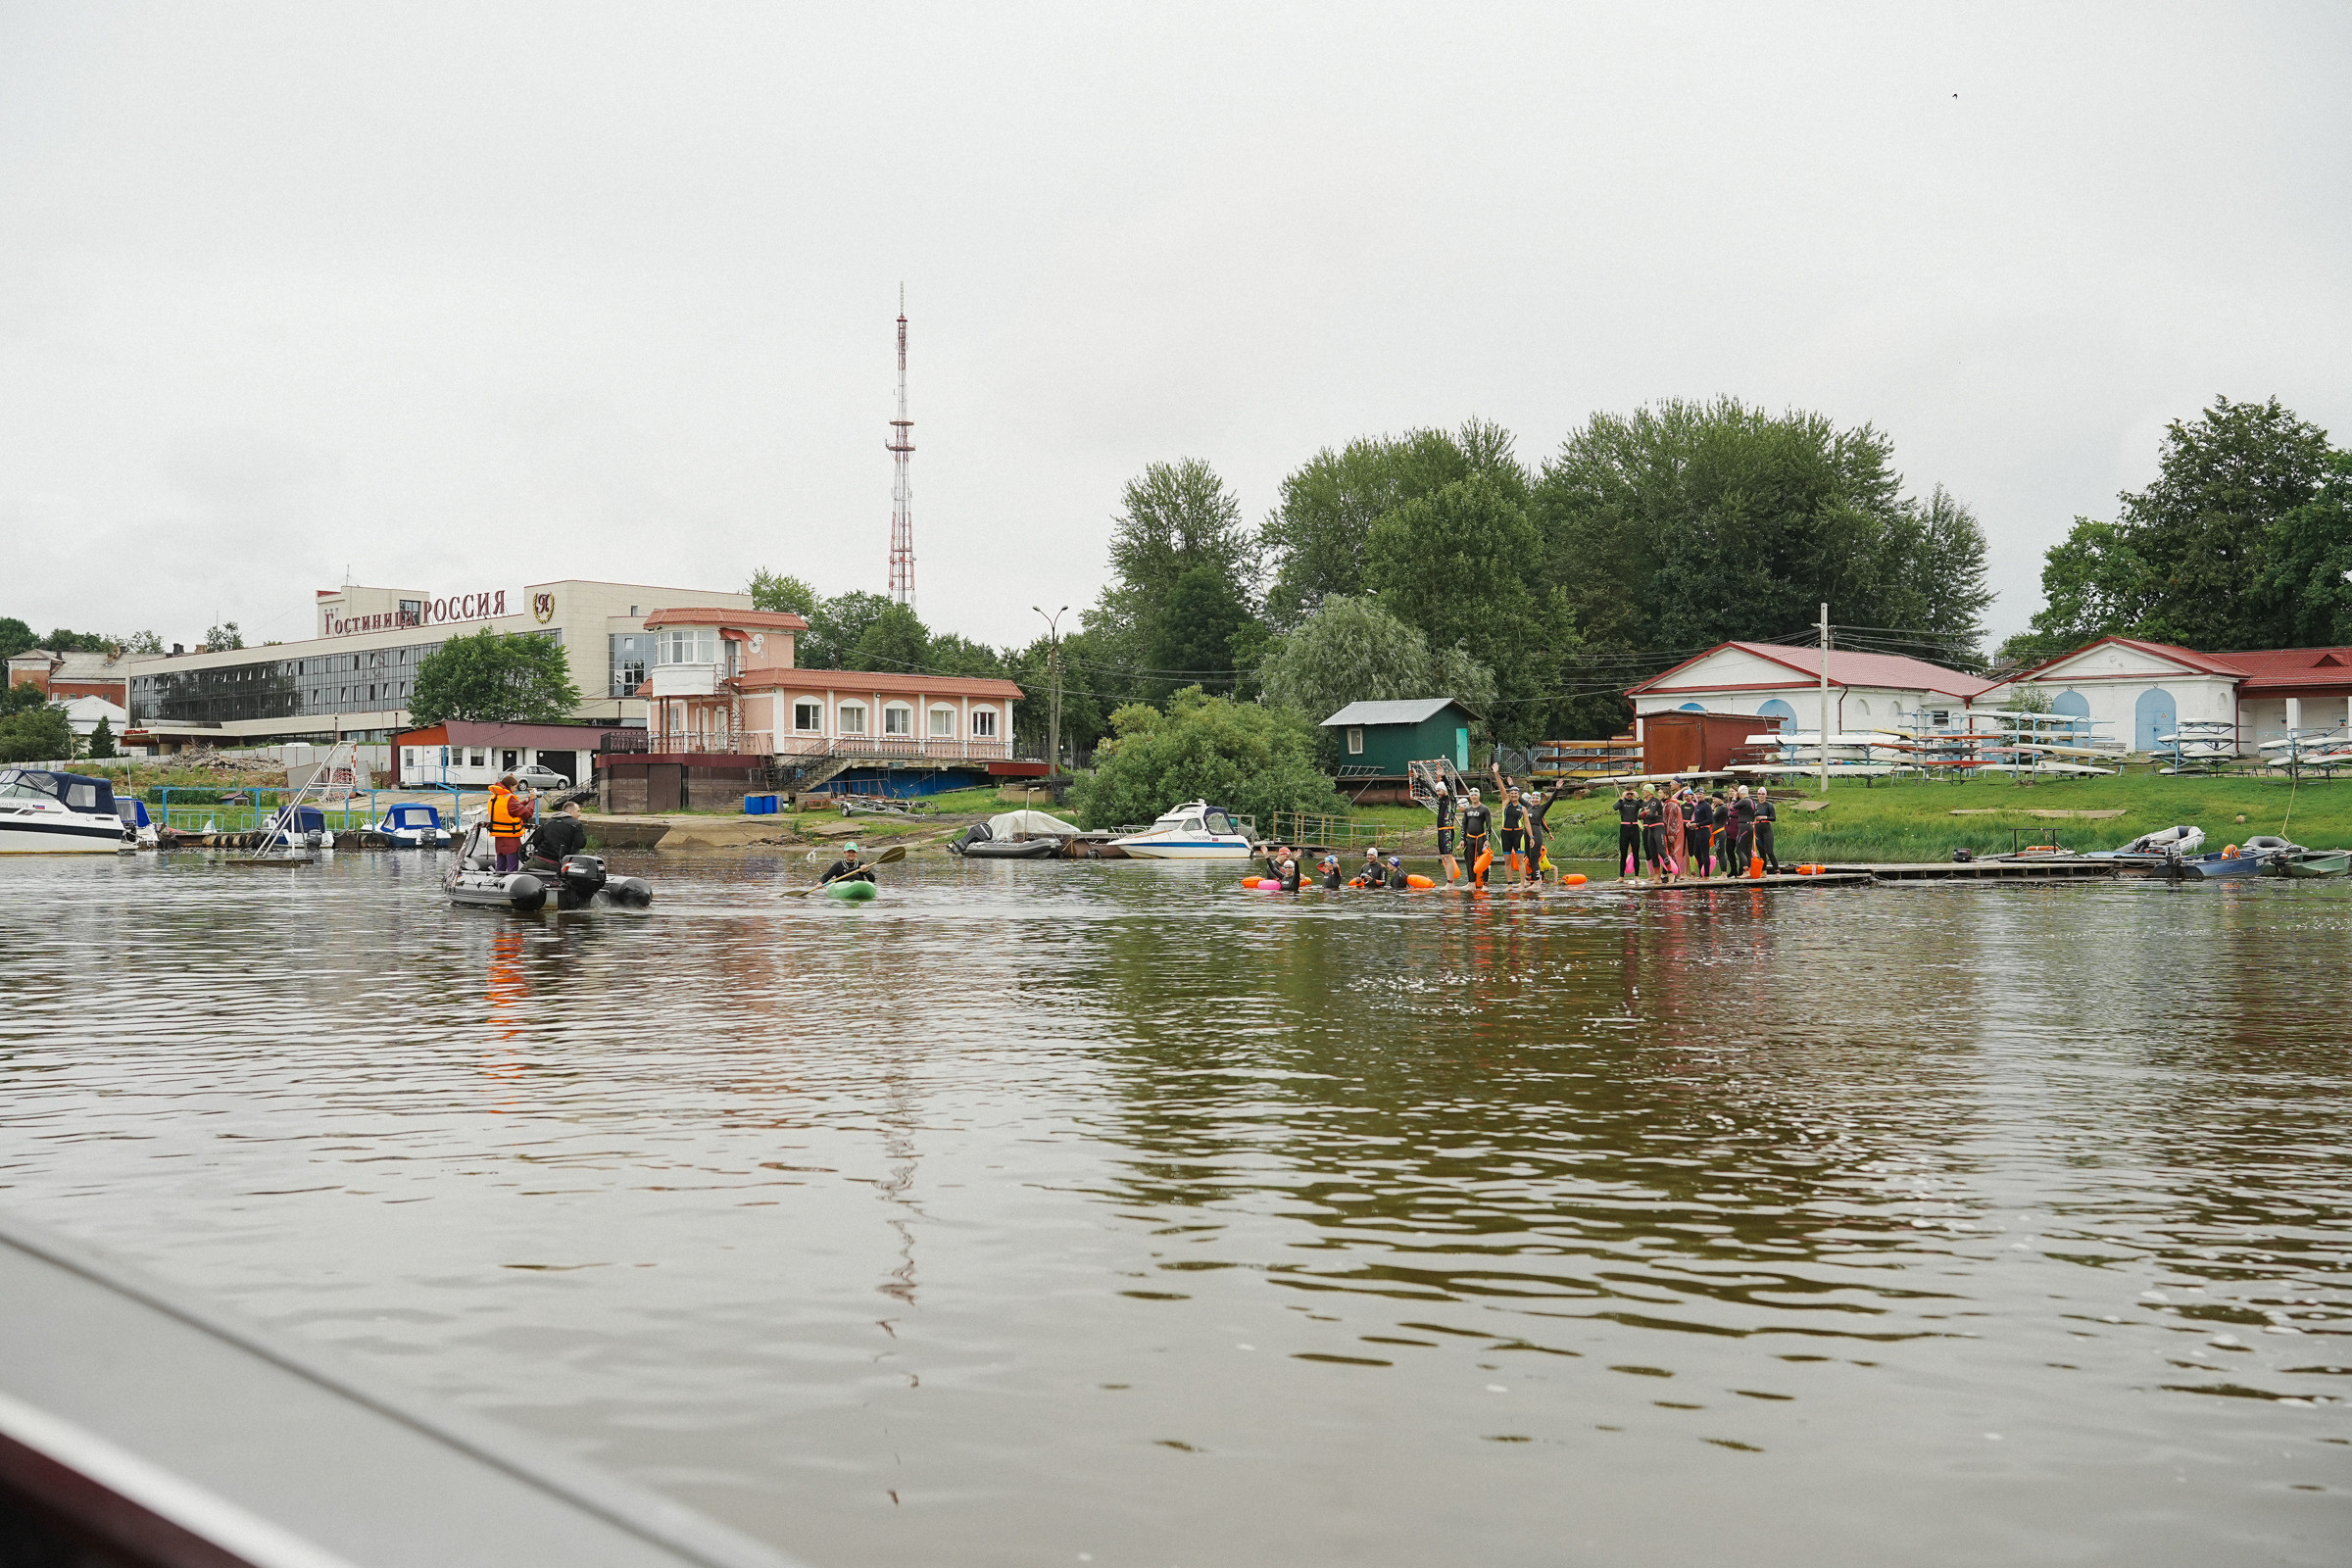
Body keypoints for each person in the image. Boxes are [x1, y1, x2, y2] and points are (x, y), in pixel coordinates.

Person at [524, 799, 587, 871]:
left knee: (519, 876)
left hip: (539, 860)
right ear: (570, 812)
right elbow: (581, 844)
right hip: (559, 864)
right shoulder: (576, 824)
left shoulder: (547, 822)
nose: (580, 814)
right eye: (578, 811)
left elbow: (536, 841)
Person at [487, 772, 529, 874]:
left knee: (500, 864)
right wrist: (532, 800)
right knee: (512, 867)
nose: (515, 790)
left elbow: (509, 809)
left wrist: (525, 801)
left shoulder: (495, 797)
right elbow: (527, 813)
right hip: (511, 837)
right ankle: (511, 882)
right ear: (510, 786)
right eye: (515, 787)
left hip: (499, 837)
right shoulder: (509, 798)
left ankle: (497, 881)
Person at [1458, 788, 1494, 887]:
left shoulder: (1484, 809)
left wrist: (1487, 839)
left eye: (1475, 795)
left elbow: (1489, 825)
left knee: (1483, 861)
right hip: (1470, 839)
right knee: (1469, 861)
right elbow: (1464, 825)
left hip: (1481, 839)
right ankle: (1471, 883)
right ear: (1470, 796)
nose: (1474, 797)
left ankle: (1485, 884)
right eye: (1472, 795)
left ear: (1479, 796)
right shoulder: (1468, 809)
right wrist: (1462, 839)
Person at [1431, 779, 1459, 884]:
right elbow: (1430, 791)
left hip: (1447, 831)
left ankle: (1450, 883)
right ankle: (1449, 881)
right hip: (1440, 831)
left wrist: (1443, 776)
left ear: (1445, 790)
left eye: (1439, 790)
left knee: (1448, 856)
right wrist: (1418, 779)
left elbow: (1450, 789)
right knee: (1443, 857)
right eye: (1437, 791)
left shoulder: (1450, 800)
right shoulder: (1441, 800)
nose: (1437, 793)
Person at [1683, 786, 1711, 880]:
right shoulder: (1698, 805)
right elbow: (1696, 819)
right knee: (1697, 853)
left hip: (1704, 831)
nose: (1698, 795)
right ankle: (1701, 874)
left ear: (1704, 795)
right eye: (1697, 794)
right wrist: (1690, 823)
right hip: (1698, 831)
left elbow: (1710, 820)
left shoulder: (1706, 805)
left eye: (1700, 794)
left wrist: (1697, 824)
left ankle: (1706, 876)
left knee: (1705, 854)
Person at [1638, 785, 1665, 879]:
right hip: (1646, 828)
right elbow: (1639, 817)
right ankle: (1651, 875)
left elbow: (1652, 814)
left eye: (1644, 790)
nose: (1642, 792)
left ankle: (1665, 873)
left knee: (1660, 851)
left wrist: (1647, 813)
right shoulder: (1646, 803)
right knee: (1649, 852)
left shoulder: (1655, 801)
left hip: (1656, 827)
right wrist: (1646, 813)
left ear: (1650, 792)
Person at [1729, 786, 1758, 875]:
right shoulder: (1752, 801)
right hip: (1750, 826)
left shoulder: (1744, 800)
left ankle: (1745, 871)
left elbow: (1732, 808)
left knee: (1739, 849)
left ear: (1740, 793)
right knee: (1747, 850)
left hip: (1744, 827)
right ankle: (1749, 871)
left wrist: (1734, 798)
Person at [1615, 786, 1642, 878]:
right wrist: (1622, 797)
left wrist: (1638, 797)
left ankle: (1637, 876)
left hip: (1634, 828)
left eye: (1631, 794)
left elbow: (1644, 806)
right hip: (1624, 828)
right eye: (1628, 793)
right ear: (1625, 793)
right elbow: (1615, 807)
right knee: (1623, 853)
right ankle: (1621, 877)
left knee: (1635, 853)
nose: (1630, 795)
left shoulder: (1636, 802)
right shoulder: (1622, 802)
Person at [1660, 783, 1686, 884]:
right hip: (1666, 830)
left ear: (1666, 793)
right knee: (1668, 852)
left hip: (1670, 832)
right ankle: (1668, 873)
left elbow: (1672, 820)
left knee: (1672, 852)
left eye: (1660, 792)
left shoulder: (1671, 804)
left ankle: (1674, 874)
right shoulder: (1667, 803)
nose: (1659, 794)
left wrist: (1670, 833)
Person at [1753, 787, 1782, 874]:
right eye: (1759, 794)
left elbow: (1773, 818)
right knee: (1761, 852)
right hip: (1758, 829)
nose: (1761, 796)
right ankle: (1763, 871)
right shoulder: (1756, 806)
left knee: (1769, 851)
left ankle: (1777, 870)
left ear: (1766, 795)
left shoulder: (1769, 805)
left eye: (1762, 794)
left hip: (1767, 829)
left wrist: (1764, 817)